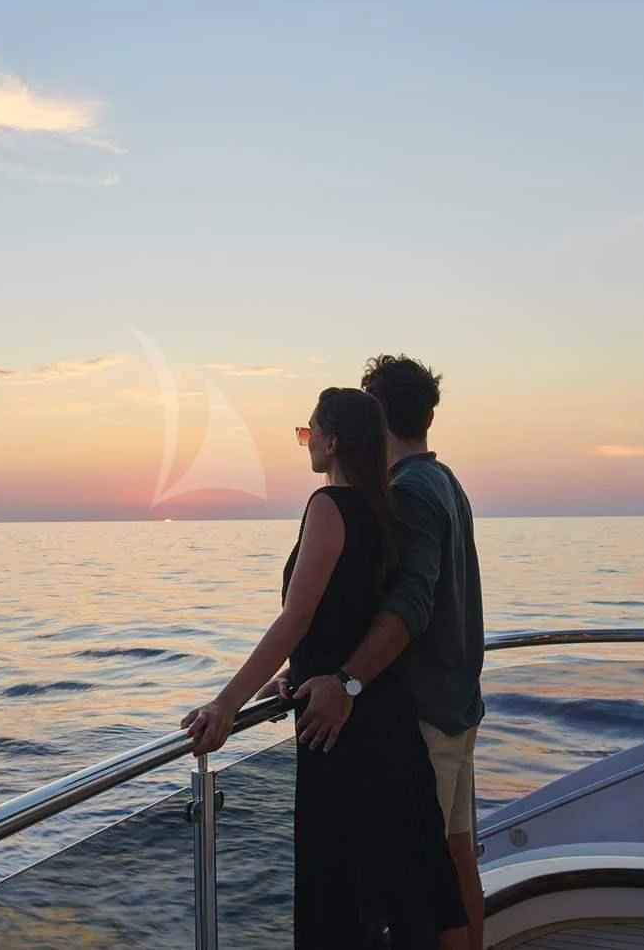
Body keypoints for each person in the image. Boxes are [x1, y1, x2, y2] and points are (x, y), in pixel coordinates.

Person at [183, 387, 465, 949]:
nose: (306, 442)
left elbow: (297, 617)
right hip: (385, 716)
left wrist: (225, 704)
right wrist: (295, 672)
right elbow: (351, 617)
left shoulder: (328, 506)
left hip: (340, 732)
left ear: (331, 442)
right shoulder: (381, 511)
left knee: (339, 902)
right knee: (414, 895)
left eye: (308, 431)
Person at [291, 356, 486, 950]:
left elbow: (409, 607)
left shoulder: (408, 493)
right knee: (448, 875)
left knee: (412, 902)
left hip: (422, 715)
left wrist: (346, 683)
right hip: (457, 707)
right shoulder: (445, 480)